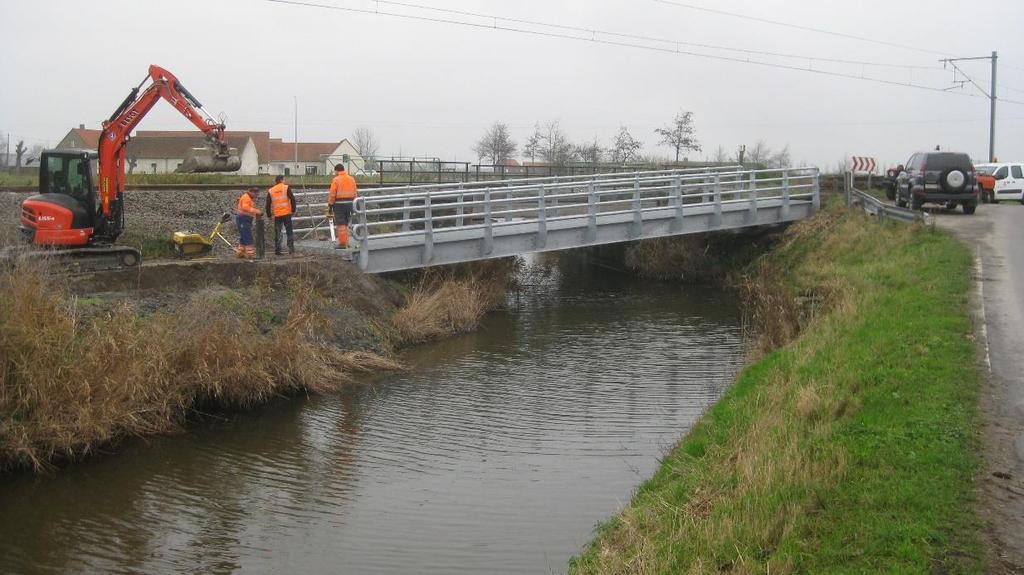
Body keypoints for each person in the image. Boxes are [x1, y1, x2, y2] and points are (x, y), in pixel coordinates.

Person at [328, 163, 358, 249]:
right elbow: (355, 192)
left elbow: (332, 193)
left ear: (337, 170)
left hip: (339, 205)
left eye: (335, 171)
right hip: (350, 204)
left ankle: (343, 243)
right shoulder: (351, 179)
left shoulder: (336, 180)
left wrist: (330, 204)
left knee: (341, 224)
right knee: (346, 223)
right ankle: (347, 241)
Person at [265, 175, 297, 255]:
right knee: (289, 232)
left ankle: (277, 250)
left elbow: (267, 204)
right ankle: (291, 249)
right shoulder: (286, 188)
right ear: (282, 180)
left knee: (278, 232)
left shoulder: (271, 190)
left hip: (277, 215)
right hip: (286, 214)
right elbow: (292, 199)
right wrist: (293, 210)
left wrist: (269, 215)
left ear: (276, 181)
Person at [235, 187, 262, 260]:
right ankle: (250, 254)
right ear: (251, 192)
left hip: (244, 218)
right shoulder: (246, 198)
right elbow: (245, 207)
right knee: (247, 236)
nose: (257, 196)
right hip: (243, 218)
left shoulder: (248, 197)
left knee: (243, 236)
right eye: (256, 194)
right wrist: (257, 211)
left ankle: (240, 252)